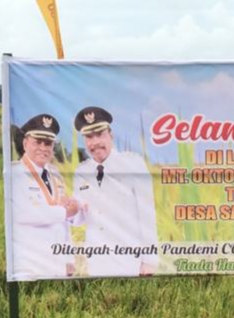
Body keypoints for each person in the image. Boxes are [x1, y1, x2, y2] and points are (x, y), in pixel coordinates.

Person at [73, 106, 159, 278]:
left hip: (130, 260)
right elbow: (79, 219)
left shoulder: (133, 165)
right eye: (89, 137)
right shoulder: (81, 172)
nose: (94, 142)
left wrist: (150, 260)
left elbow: (147, 215)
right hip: (97, 261)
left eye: (99, 134)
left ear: (110, 135)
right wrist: (72, 210)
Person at [10, 113, 81, 280]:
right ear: (25, 143)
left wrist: (68, 258)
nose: (43, 147)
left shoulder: (55, 175)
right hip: (28, 263)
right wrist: (65, 212)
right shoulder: (15, 174)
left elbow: (64, 223)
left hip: (56, 263)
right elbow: (23, 214)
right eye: (38, 142)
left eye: (48, 143)